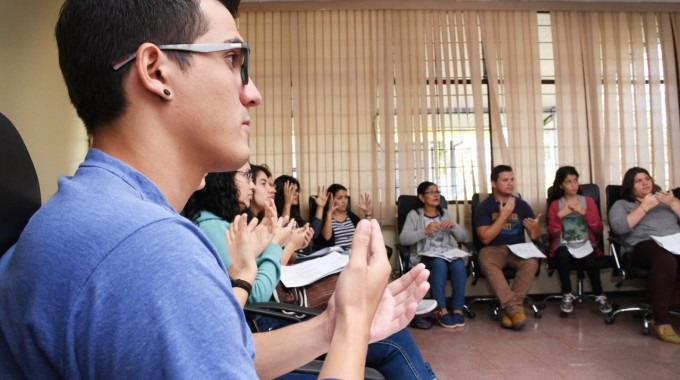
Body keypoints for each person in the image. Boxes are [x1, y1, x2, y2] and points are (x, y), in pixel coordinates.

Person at [0, 1, 430, 378]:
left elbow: (216, 353)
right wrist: (354, 324)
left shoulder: (94, 209)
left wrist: (330, 326)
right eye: (232, 59)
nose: (253, 93)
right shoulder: (150, 250)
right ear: (156, 70)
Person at [185, 168, 437, 379]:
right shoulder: (213, 227)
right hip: (268, 317)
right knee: (393, 339)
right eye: (248, 176)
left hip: (271, 315)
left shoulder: (232, 222)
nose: (253, 186)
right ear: (221, 181)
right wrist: (281, 245)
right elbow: (252, 295)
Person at [609, 167, 680, 344]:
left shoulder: (666, 200)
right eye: (638, 181)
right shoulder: (621, 204)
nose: (645, 182)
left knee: (669, 258)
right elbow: (619, 228)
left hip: (675, 241)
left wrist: (674, 204)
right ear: (630, 186)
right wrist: (644, 207)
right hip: (642, 245)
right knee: (665, 260)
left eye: (647, 178)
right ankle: (661, 321)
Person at [473, 164, 542, 330]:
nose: (510, 183)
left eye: (512, 180)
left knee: (532, 262)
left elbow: (535, 237)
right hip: (493, 249)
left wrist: (535, 229)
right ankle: (515, 309)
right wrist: (503, 216)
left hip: (518, 248)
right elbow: (485, 238)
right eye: (505, 180)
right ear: (494, 184)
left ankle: (510, 310)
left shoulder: (522, 205)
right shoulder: (484, 207)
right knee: (487, 262)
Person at [400, 181, 468, 328]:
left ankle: (457, 309)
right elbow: (403, 239)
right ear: (422, 197)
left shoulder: (445, 214)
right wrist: (424, 231)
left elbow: (463, 238)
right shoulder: (414, 215)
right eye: (431, 192)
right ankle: (441, 310)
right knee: (439, 264)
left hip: (446, 253)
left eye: (437, 192)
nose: (436, 195)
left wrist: (454, 226)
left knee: (459, 265)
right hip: (424, 256)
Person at [547, 166, 612, 314]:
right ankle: (567, 294)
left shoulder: (588, 201)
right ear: (560, 185)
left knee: (590, 261)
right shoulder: (556, 205)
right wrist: (559, 216)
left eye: (575, 180)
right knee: (561, 255)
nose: (573, 185)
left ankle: (599, 294)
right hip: (563, 243)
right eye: (569, 182)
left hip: (585, 243)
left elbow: (598, 229)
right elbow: (552, 233)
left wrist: (584, 213)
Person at [317, 183, 373, 250]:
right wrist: (329, 213)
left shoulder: (352, 217)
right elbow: (326, 238)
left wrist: (368, 214)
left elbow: (367, 233)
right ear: (330, 199)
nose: (344, 201)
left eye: (346, 197)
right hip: (337, 256)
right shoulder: (325, 217)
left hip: (355, 253)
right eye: (340, 198)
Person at [274, 175, 326, 242]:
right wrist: (287, 203)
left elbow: (313, 234)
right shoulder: (274, 213)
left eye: (297, 190)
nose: (297, 194)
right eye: (293, 190)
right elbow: (283, 236)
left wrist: (320, 207)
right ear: (282, 192)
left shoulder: (294, 212)